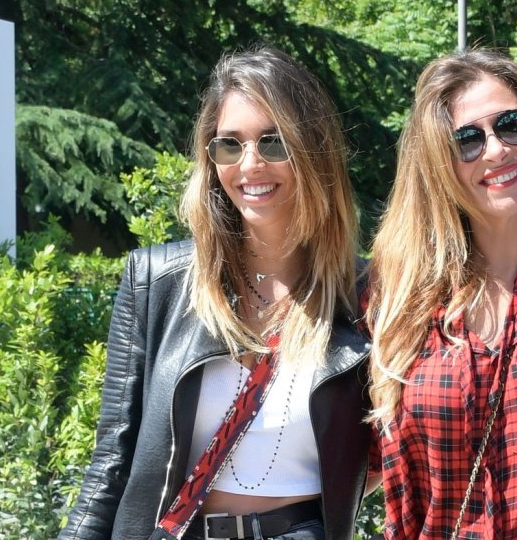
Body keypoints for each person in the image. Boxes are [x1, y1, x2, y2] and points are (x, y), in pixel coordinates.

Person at [58, 46, 371, 540]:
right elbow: (111, 461)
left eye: (273, 142)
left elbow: (397, 453)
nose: (250, 164)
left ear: (313, 152)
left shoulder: (365, 295)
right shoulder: (158, 281)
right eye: (230, 145)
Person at [364, 49, 517, 539]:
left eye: (512, 125)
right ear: (439, 164)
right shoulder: (396, 298)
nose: (496, 150)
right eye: (467, 140)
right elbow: (349, 464)